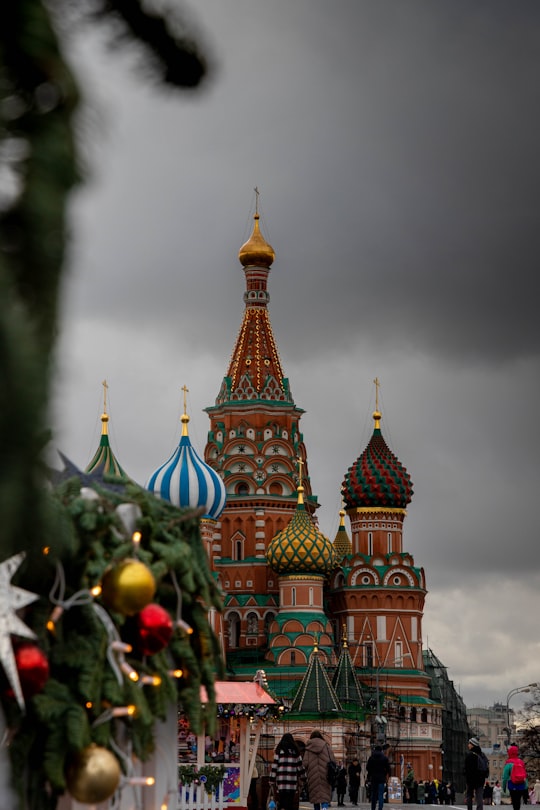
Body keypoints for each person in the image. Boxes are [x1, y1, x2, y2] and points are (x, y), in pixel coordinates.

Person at [270, 733, 306, 810]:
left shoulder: (279, 751)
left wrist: (271, 780)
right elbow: (300, 767)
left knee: (281, 801)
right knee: (289, 802)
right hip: (292, 782)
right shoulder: (296, 752)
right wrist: (304, 778)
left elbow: (274, 767)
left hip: (281, 782)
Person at [302, 730, 336, 810]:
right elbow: (333, 760)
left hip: (313, 776)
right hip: (325, 775)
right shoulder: (327, 747)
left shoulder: (308, 748)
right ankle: (324, 807)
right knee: (324, 795)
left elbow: (305, 764)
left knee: (315, 797)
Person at [503, 745, 528, 810]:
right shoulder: (521, 762)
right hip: (521, 784)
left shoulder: (508, 763)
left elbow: (505, 776)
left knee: (514, 800)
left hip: (512, 784)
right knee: (518, 800)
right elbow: (525, 774)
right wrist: (526, 786)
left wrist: (504, 787)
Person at [366, 744, 391, 810]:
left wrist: (371, 773)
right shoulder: (384, 758)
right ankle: (380, 808)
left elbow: (367, 767)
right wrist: (386, 774)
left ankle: (373, 808)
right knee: (380, 794)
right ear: (381, 750)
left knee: (373, 794)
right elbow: (388, 768)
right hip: (381, 778)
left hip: (373, 778)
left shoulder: (371, 758)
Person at [465, 737, 486, 810]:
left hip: (471, 779)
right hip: (480, 779)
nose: (468, 745)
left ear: (473, 745)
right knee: (479, 795)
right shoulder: (482, 755)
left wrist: (467, 778)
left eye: (469, 744)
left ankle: (470, 808)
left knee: (469, 795)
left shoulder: (470, 755)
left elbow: (467, 769)